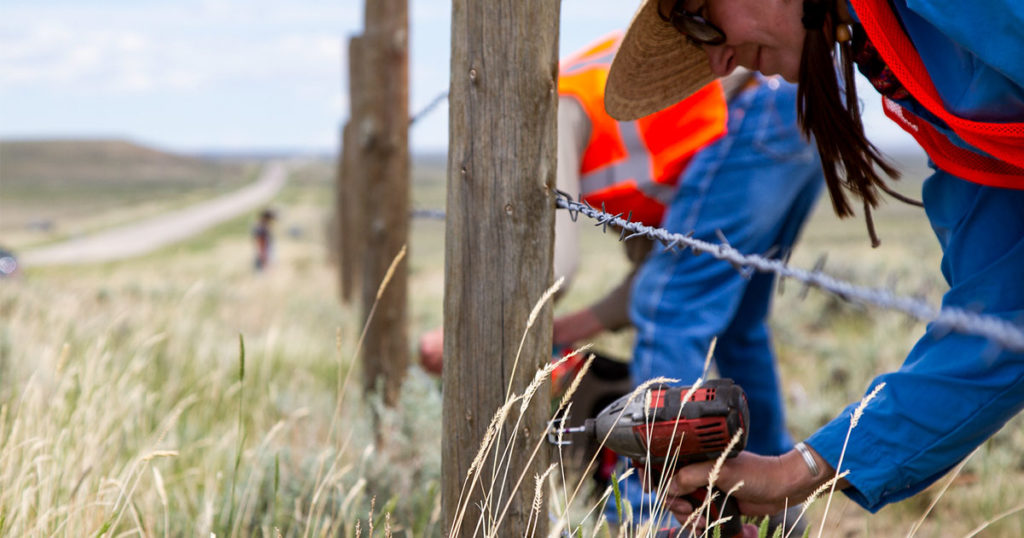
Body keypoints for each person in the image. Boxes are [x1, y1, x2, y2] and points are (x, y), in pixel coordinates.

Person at [602, 0, 1024, 530]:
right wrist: (792, 473)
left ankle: (645, 518)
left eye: (700, 16)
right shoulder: (933, 106)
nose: (718, 62)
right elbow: (1001, 322)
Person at [419, 32, 823, 530]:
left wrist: (468, 338)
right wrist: (564, 329)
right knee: (737, 325)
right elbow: (647, 282)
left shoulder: (547, 112)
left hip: (752, 112)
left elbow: (553, 268)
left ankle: (648, 516)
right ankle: (778, 503)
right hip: (799, 106)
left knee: (671, 311)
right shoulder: (608, 120)